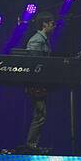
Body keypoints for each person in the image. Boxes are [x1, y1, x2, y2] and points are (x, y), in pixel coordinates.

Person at [23, 10, 56, 150]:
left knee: (40, 114)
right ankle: (31, 145)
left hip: (40, 83)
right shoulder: (37, 40)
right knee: (40, 114)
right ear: (45, 24)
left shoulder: (43, 40)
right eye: (52, 24)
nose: (54, 27)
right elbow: (33, 63)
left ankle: (33, 144)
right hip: (35, 83)